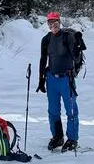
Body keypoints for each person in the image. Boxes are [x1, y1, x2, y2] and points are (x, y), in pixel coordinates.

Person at [35, 11, 84, 151]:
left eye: (55, 22)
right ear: (47, 24)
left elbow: (75, 57)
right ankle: (57, 136)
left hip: (66, 79)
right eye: (50, 23)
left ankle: (73, 139)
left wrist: (78, 46)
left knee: (71, 110)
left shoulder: (67, 37)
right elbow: (43, 59)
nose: (53, 26)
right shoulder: (46, 39)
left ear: (59, 22)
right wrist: (41, 80)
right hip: (51, 79)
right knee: (53, 111)